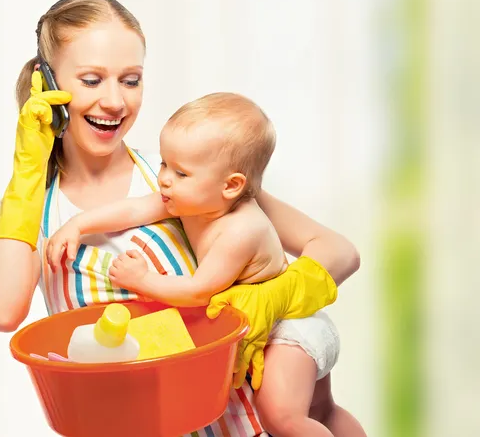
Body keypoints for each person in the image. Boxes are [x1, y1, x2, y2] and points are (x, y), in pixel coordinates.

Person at [0, 0, 365, 436]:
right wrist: (28, 169)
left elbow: (338, 251)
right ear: (48, 84)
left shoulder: (186, 179)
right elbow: (0, 311)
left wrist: (271, 296)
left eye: (130, 80)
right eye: (90, 80)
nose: (115, 102)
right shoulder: (34, 213)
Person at [45, 92, 351, 436]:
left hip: (290, 327)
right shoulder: (193, 200)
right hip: (273, 328)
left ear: (231, 185)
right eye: (163, 164)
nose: (164, 179)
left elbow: (199, 291)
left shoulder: (240, 230)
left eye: (180, 172)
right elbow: (134, 209)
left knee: (281, 417)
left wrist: (141, 279)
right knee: (322, 410)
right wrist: (79, 225)